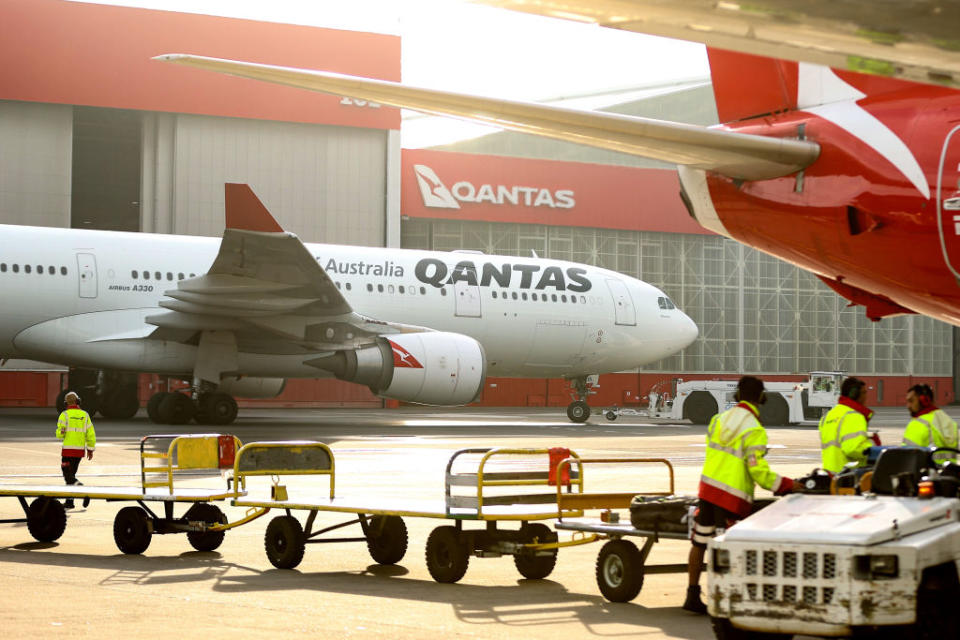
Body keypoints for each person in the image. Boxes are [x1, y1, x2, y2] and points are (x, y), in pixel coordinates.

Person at [683, 376, 795, 614]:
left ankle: (692, 594)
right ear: (761, 397)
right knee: (731, 548)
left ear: (738, 395)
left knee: (700, 543)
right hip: (730, 497)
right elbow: (758, 471)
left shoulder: (718, 419)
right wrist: (787, 485)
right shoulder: (754, 429)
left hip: (707, 491)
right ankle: (726, 598)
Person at [818, 377, 875, 474]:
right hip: (848, 478)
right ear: (854, 394)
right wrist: (873, 445)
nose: (866, 397)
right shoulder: (853, 415)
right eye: (864, 393)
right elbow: (853, 449)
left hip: (830, 476)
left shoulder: (827, 416)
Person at [56, 391, 95, 509]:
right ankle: (69, 502)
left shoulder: (64, 415)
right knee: (71, 474)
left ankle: (82, 490)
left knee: (67, 475)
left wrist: (60, 432)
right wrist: (90, 449)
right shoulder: (85, 415)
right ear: (78, 401)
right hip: (79, 452)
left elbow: (59, 435)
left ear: (65, 403)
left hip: (67, 451)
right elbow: (91, 434)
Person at [903, 383, 958, 463]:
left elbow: (906, 457)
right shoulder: (949, 421)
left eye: (911, 401)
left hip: (927, 473)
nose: (908, 405)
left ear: (924, 401)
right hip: (951, 472)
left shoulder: (918, 424)